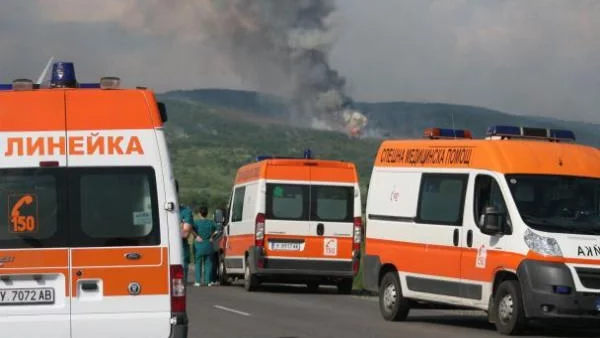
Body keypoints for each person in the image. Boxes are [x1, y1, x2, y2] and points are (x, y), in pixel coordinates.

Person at [193, 206, 218, 287]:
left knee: (198, 263)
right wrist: (212, 236)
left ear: (200, 214)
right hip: (208, 245)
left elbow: (191, 229)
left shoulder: (196, 222)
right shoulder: (211, 222)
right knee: (208, 263)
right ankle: (208, 281)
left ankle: (197, 281)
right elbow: (218, 229)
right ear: (207, 214)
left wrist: (196, 236)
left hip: (199, 245)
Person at [176, 181, 194, 284]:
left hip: (181, 251)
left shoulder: (185, 211)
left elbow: (185, 233)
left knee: (179, 285)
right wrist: (180, 227)